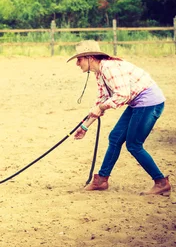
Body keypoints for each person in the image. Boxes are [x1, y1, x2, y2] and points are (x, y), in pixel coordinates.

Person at [68, 40, 170, 195]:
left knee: (134, 144)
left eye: (79, 59)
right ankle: (102, 180)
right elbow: (101, 101)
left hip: (149, 103)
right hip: (138, 102)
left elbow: (122, 95)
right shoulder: (100, 72)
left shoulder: (109, 68)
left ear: (89, 57)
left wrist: (100, 108)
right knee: (115, 137)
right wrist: (85, 126)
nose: (77, 63)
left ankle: (161, 182)